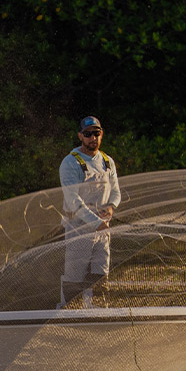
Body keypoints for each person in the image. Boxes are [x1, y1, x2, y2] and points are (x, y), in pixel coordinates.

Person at [59, 115, 122, 308]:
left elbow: (116, 192)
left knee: (101, 272)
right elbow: (73, 201)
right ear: (80, 136)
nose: (92, 138)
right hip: (78, 229)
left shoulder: (107, 161)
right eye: (87, 134)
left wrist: (111, 208)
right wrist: (96, 223)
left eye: (96, 133)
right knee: (74, 274)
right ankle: (68, 311)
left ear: (101, 134)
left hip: (103, 229)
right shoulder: (70, 163)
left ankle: (98, 310)